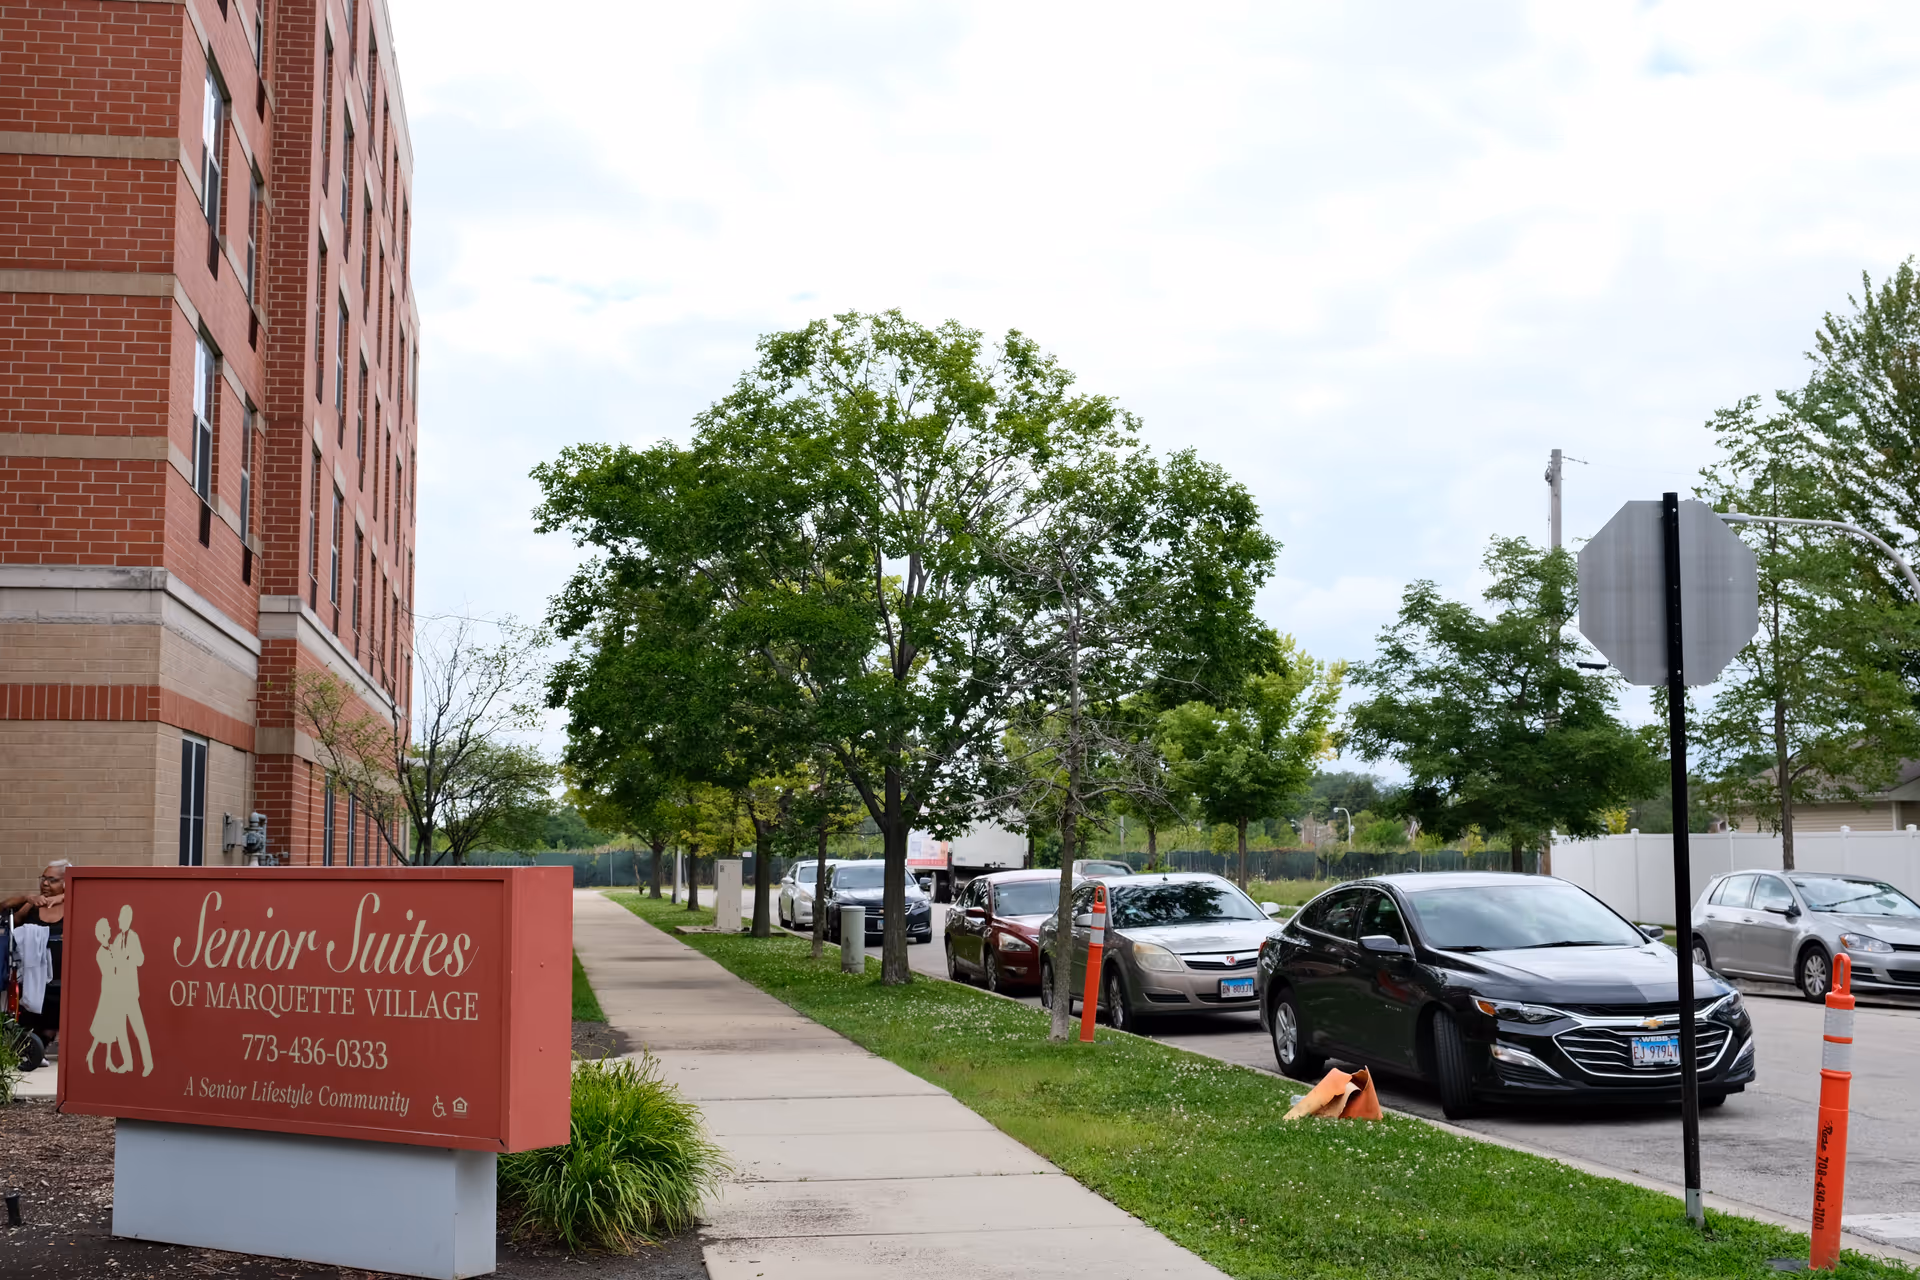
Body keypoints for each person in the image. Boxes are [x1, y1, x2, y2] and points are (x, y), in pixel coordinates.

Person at [5, 861, 68, 1047]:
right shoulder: (33, 904)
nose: (45, 884)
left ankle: (46, 1038)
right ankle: (35, 1045)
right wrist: (27, 898)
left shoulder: (76, 902)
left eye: (52, 880)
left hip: (64, 978)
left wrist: (64, 897)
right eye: (43, 879)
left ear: (66, 881)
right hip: (35, 977)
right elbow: (6, 911)